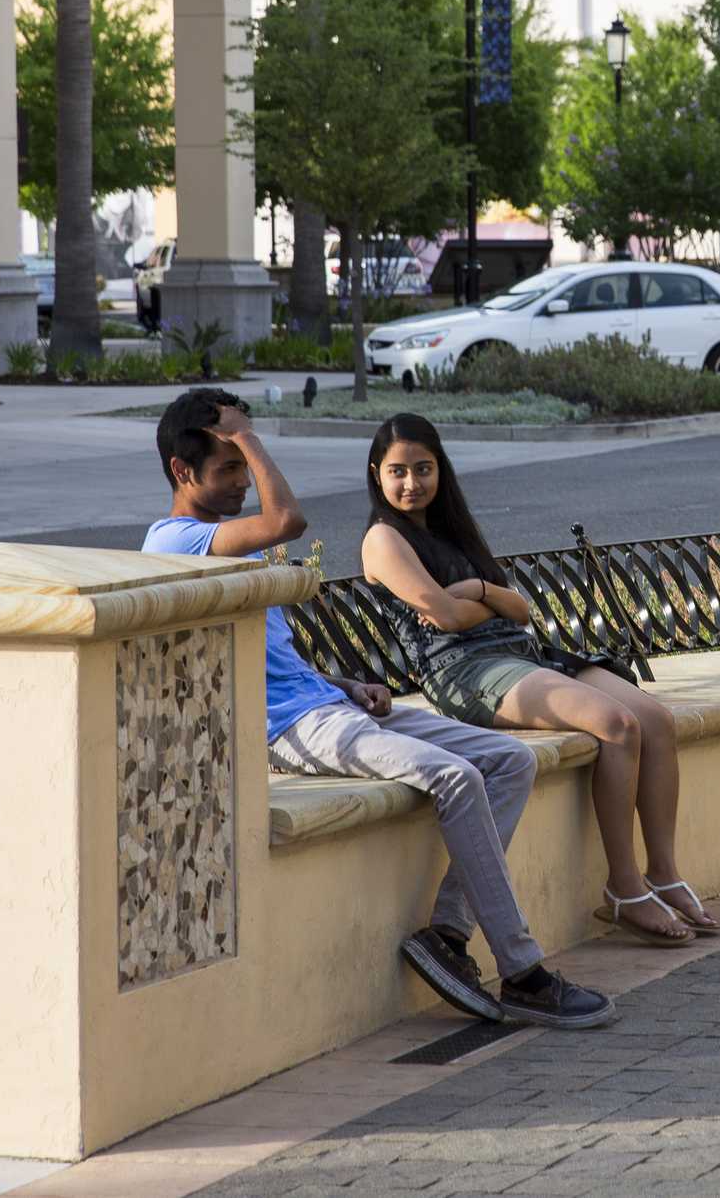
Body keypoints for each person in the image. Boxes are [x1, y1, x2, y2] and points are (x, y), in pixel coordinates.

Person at [141, 389, 615, 1031]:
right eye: (229, 470)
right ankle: (525, 973)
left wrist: (339, 681)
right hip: (288, 726)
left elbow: (263, 654)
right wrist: (249, 437)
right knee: (456, 775)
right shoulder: (175, 538)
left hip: (324, 703)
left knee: (507, 760)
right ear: (181, 472)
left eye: (242, 468)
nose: (243, 483)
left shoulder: (226, 544)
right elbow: (288, 521)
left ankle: (446, 936)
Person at [363, 414, 719, 946]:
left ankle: (662, 871)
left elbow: (521, 608)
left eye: (423, 469)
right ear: (376, 473)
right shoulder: (383, 540)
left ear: (442, 471)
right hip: (467, 672)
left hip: (523, 654)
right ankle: (623, 887)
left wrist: (477, 590)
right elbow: (447, 618)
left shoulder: (449, 530)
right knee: (618, 725)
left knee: (656, 721)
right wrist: (482, 600)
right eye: (398, 472)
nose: (411, 483)